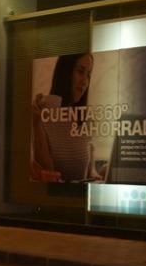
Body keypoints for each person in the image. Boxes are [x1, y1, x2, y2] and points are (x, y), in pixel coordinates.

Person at [30, 52, 102, 182]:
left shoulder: (87, 117)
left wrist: (98, 175)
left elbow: (90, 169)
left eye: (88, 75)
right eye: (80, 72)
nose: (85, 81)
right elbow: (48, 170)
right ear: (65, 72)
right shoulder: (44, 111)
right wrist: (36, 123)